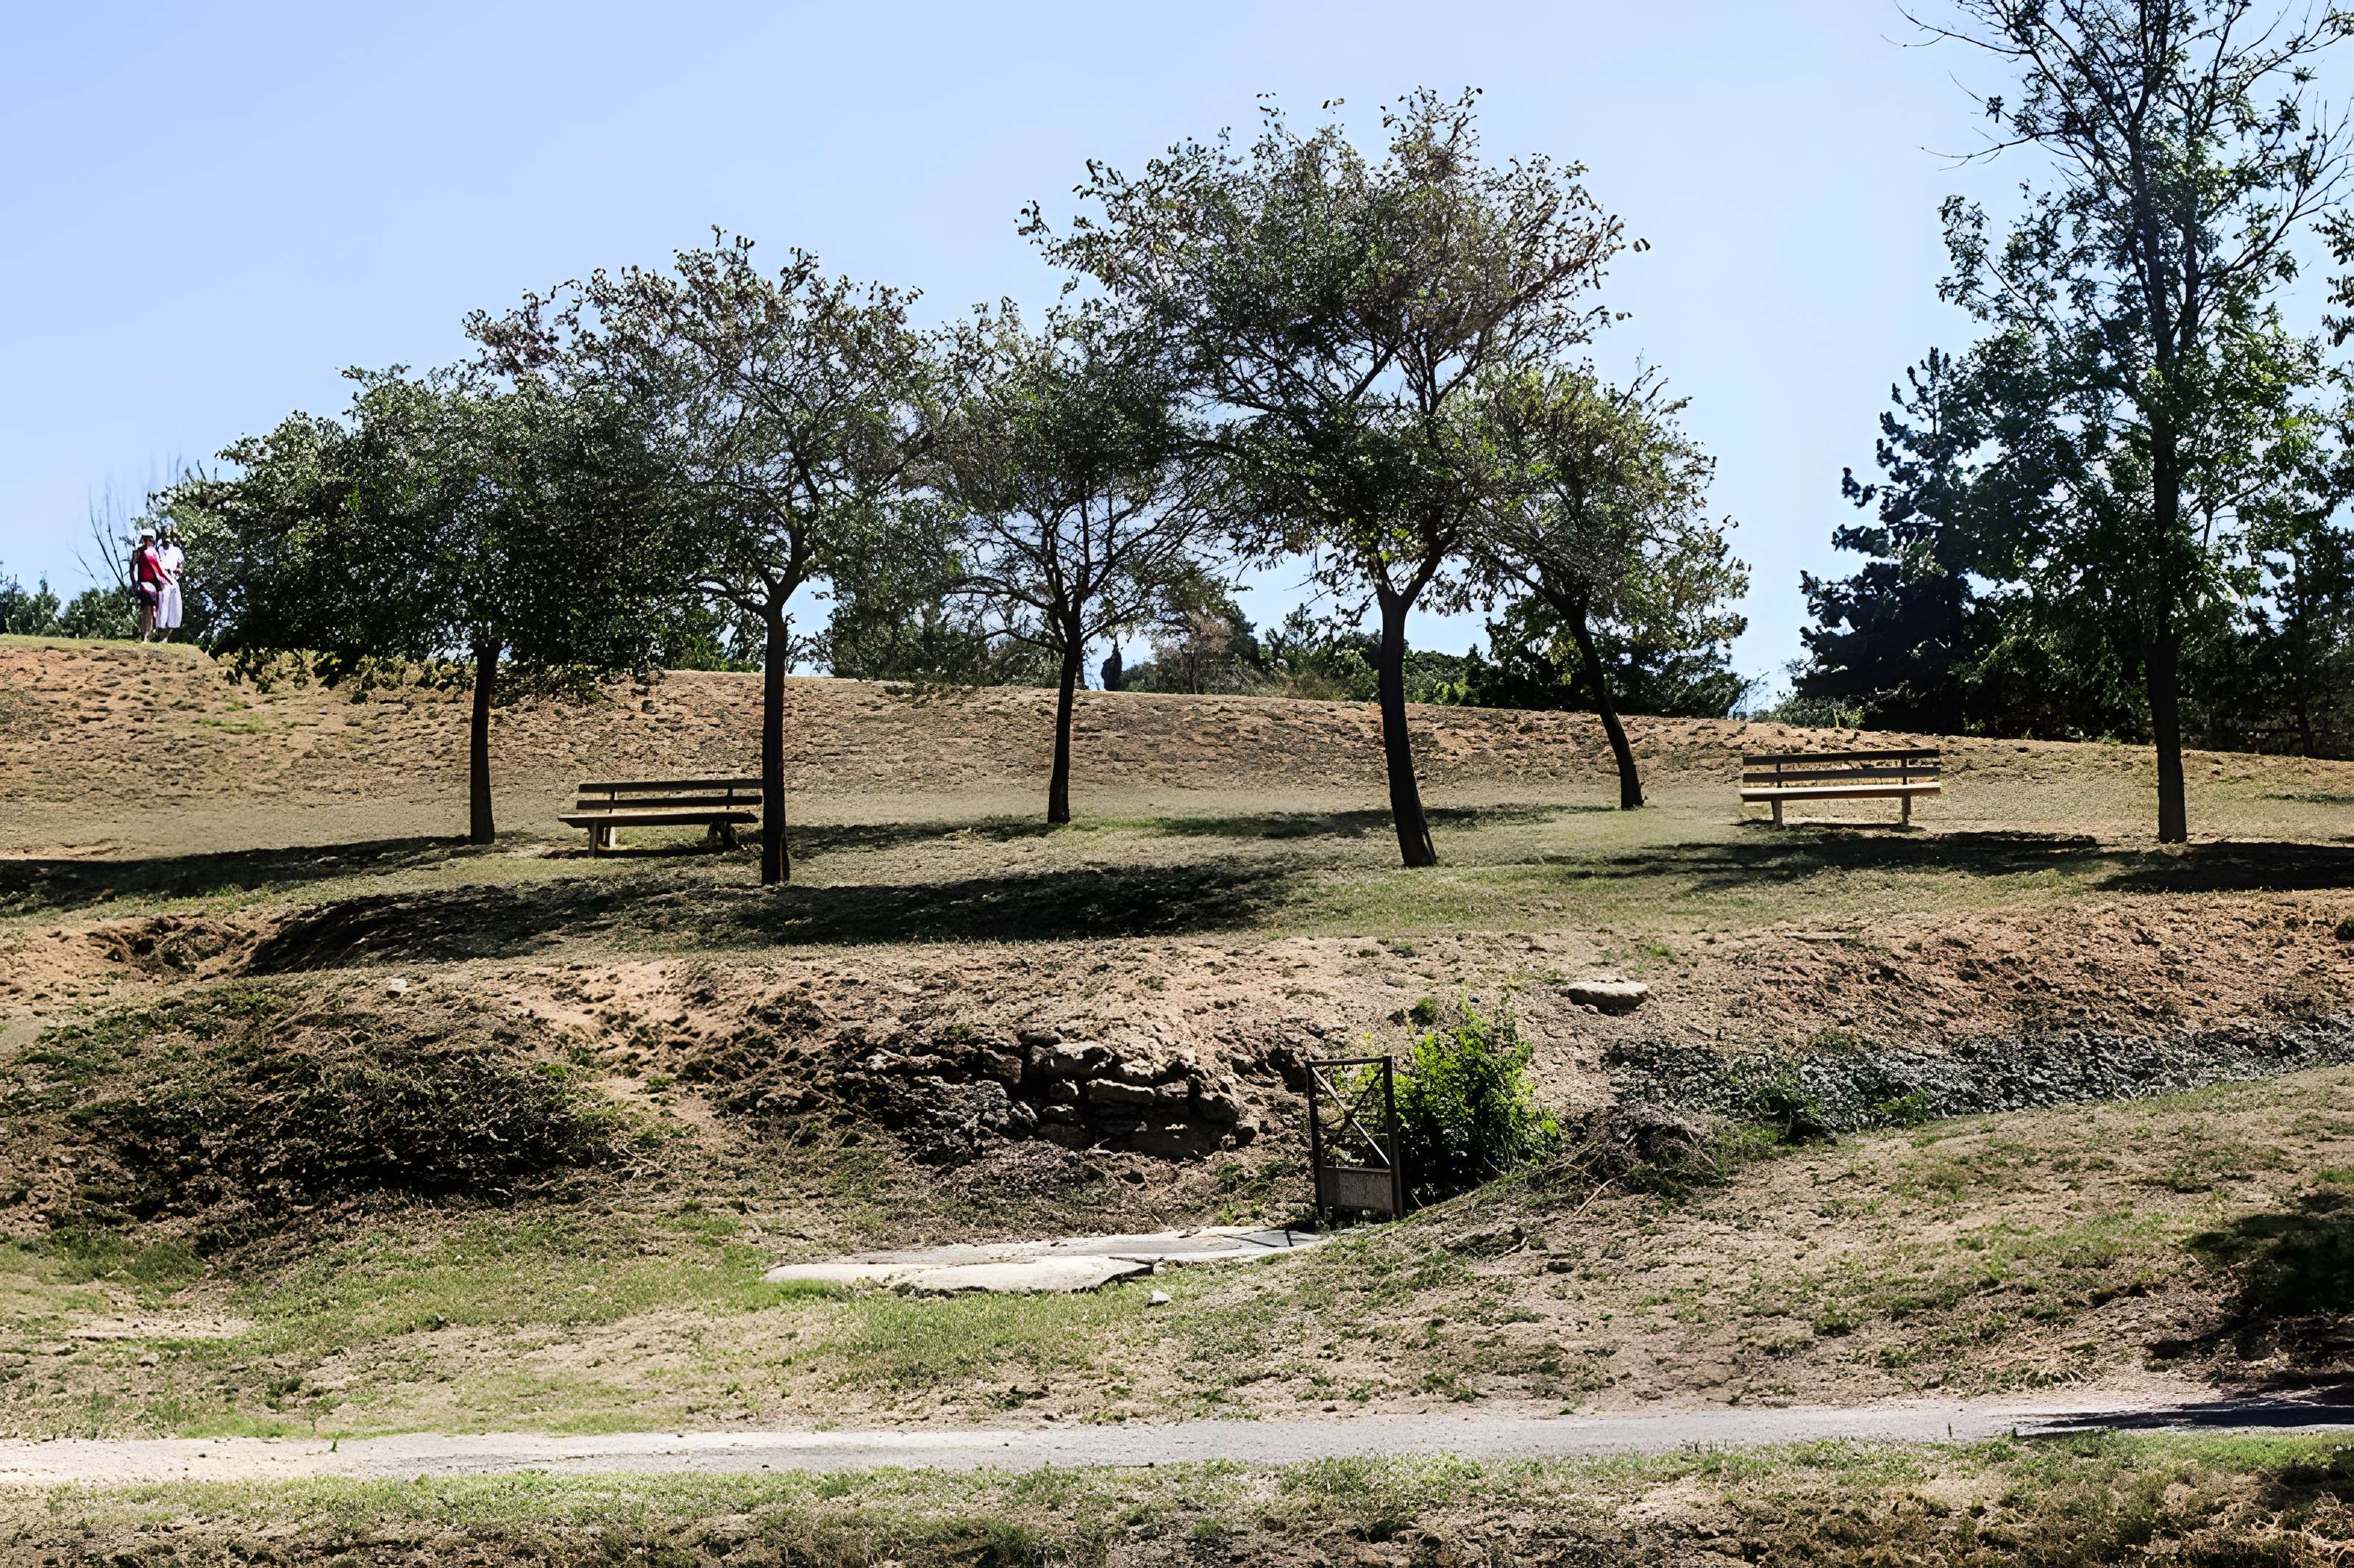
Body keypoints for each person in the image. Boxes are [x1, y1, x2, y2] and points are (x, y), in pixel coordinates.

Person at [130, 529, 164, 641]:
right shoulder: (138, 552)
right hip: (144, 584)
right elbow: (132, 567)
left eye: (148, 539)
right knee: (146, 609)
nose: (146, 541)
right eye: (145, 539)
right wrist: (134, 583)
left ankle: (155, 634)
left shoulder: (155, 552)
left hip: (155, 585)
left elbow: (159, 569)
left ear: (152, 540)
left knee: (156, 610)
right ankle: (145, 635)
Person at [154, 525, 185, 640]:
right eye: (164, 536)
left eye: (168, 536)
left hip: (173, 580)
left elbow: (181, 566)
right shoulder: (159, 550)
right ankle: (161, 635)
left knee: (174, 607)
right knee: (162, 607)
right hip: (162, 580)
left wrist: (178, 570)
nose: (166, 539)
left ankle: (167, 637)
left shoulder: (177, 551)